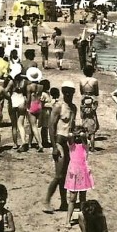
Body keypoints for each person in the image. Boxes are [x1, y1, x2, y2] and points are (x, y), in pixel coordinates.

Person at [43, 81, 76, 213]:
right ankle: (46, 201)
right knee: (58, 175)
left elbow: (71, 127)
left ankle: (63, 202)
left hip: (68, 143)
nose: (68, 94)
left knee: (64, 175)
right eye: (66, 91)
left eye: (70, 91)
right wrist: (54, 147)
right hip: (59, 142)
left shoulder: (73, 107)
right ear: (63, 92)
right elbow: (51, 126)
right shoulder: (58, 107)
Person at [65, 128, 93, 228]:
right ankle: (68, 220)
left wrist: (81, 134)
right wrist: (74, 134)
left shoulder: (86, 144)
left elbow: (84, 138)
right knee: (72, 198)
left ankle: (82, 218)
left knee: (82, 198)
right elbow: (69, 137)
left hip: (83, 172)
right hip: (74, 172)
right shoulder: (71, 145)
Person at [79, 66, 100, 151]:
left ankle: (85, 143)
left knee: (84, 117)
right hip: (92, 97)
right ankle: (92, 146)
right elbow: (96, 92)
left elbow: (81, 91)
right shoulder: (95, 80)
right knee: (93, 117)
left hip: (84, 97)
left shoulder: (81, 80)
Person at [25, 67, 44, 151]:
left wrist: (27, 107)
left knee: (33, 126)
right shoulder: (41, 86)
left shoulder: (29, 87)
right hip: (39, 105)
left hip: (32, 105)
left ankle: (39, 144)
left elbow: (28, 99)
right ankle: (29, 143)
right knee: (34, 125)